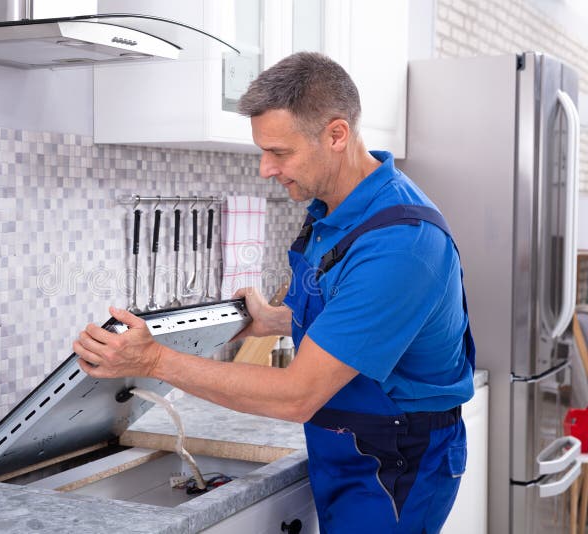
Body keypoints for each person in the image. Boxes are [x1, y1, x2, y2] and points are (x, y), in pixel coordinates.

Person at [73, 51, 475, 533]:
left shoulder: (401, 243)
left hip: (396, 462)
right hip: (350, 447)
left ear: (336, 135)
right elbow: (354, 309)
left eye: (280, 153)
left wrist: (154, 361)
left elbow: (296, 395)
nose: (265, 168)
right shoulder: (338, 206)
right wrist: (276, 319)